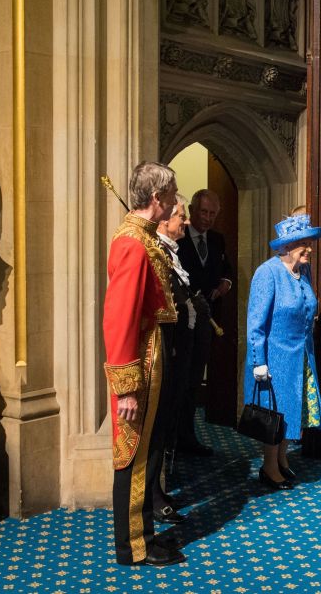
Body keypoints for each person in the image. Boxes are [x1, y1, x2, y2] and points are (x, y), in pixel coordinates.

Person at [102, 161, 185, 567]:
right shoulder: (132, 243)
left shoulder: (143, 237)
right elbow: (119, 319)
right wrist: (127, 387)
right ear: (158, 198)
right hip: (142, 362)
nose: (174, 203)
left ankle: (145, 536)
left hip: (156, 354)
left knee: (150, 452)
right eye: (171, 196)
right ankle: (133, 546)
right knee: (136, 454)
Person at [242, 213, 321, 490]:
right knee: (274, 414)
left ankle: (281, 460)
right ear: (287, 246)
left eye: (310, 242)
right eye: (304, 243)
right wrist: (259, 362)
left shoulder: (304, 271)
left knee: (293, 409)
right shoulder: (267, 273)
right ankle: (268, 467)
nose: (310, 249)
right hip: (274, 357)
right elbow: (256, 320)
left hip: (300, 354)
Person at [153, 194, 206, 525]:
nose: (185, 222)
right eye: (181, 216)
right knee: (159, 427)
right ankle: (154, 494)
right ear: (164, 221)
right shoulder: (154, 252)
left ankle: (160, 490)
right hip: (164, 353)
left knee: (170, 421)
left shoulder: (170, 252)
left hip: (179, 350)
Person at [176, 189, 234, 456]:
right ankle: (175, 439)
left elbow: (227, 271)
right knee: (181, 381)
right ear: (192, 211)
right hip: (180, 324)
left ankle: (188, 437)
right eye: (204, 212)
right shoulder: (178, 238)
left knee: (195, 379)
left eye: (213, 214)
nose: (208, 218)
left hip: (208, 322)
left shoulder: (218, 240)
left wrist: (226, 283)